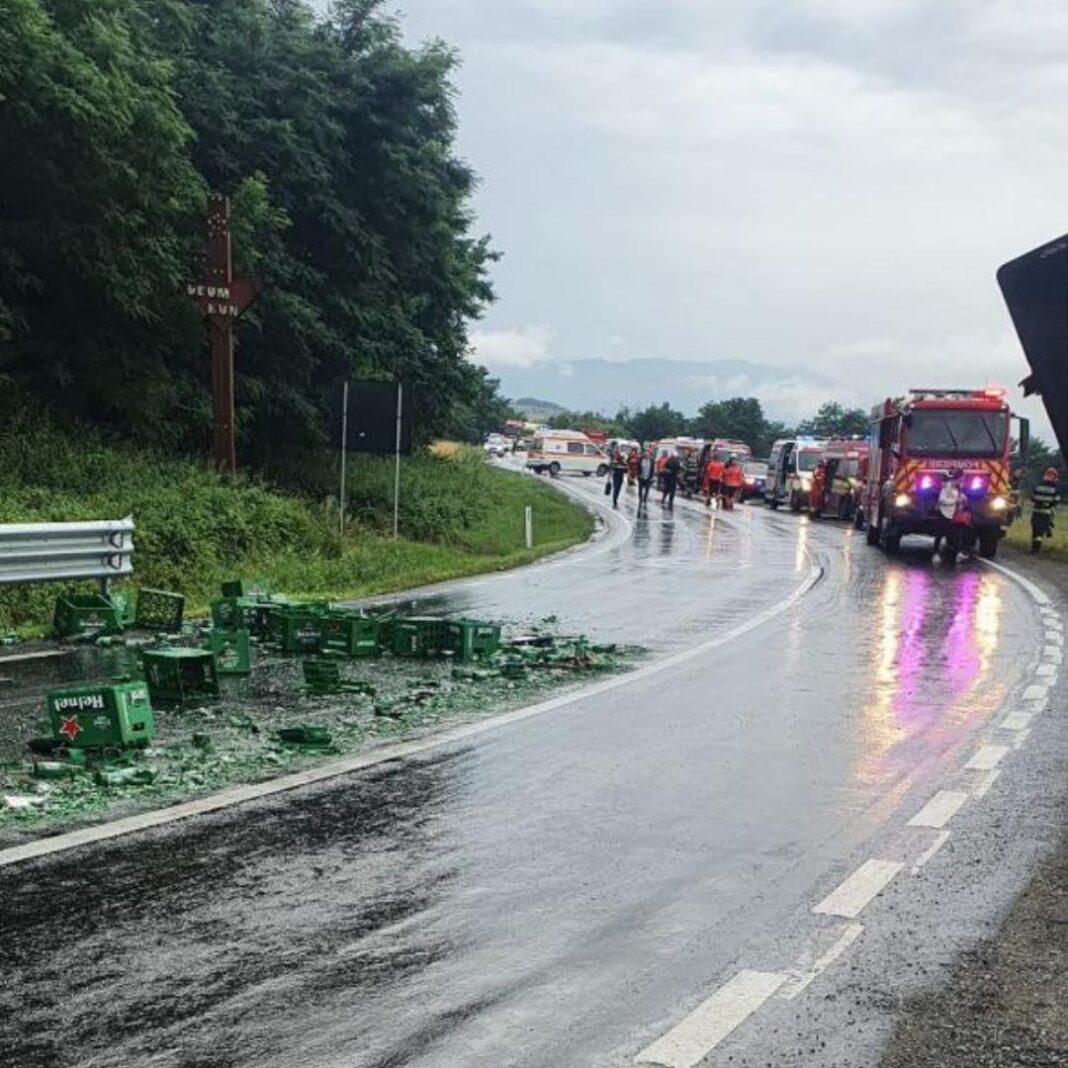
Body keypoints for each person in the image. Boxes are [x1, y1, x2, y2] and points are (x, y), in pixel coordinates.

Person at [1031, 466, 1060, 554]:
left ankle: (1034, 548)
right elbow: (1056, 500)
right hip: (1046, 512)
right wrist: (1048, 505)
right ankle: (1036, 549)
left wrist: (1039, 502)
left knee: (1036, 530)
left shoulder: (1038, 485)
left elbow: (1032, 497)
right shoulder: (1055, 488)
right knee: (1039, 531)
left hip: (1037, 510)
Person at [637, 446, 655, 512]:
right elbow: (638, 468)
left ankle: (644, 500)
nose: (647, 455)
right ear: (644, 454)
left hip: (648, 477)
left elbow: (652, 469)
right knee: (640, 489)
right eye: (646, 454)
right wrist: (638, 474)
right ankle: (640, 499)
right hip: (641, 477)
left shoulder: (651, 461)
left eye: (648, 454)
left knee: (647, 490)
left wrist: (652, 476)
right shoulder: (641, 460)